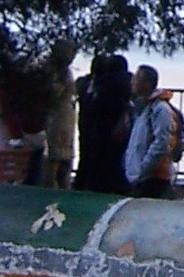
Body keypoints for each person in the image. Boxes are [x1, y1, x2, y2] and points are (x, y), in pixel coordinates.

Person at [75, 53, 131, 194]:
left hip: (101, 128)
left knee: (94, 161)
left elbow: (93, 106)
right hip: (122, 129)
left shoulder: (104, 84)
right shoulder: (129, 84)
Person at [122, 65, 176, 199]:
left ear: (146, 84)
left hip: (154, 176)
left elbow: (162, 142)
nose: (132, 82)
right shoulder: (144, 107)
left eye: (136, 79)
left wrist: (143, 168)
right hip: (143, 175)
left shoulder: (159, 109)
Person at [42, 40, 77, 191]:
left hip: (61, 116)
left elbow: (54, 93)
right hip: (62, 116)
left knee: (57, 157)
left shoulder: (59, 73)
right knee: (59, 157)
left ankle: (55, 187)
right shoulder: (62, 73)